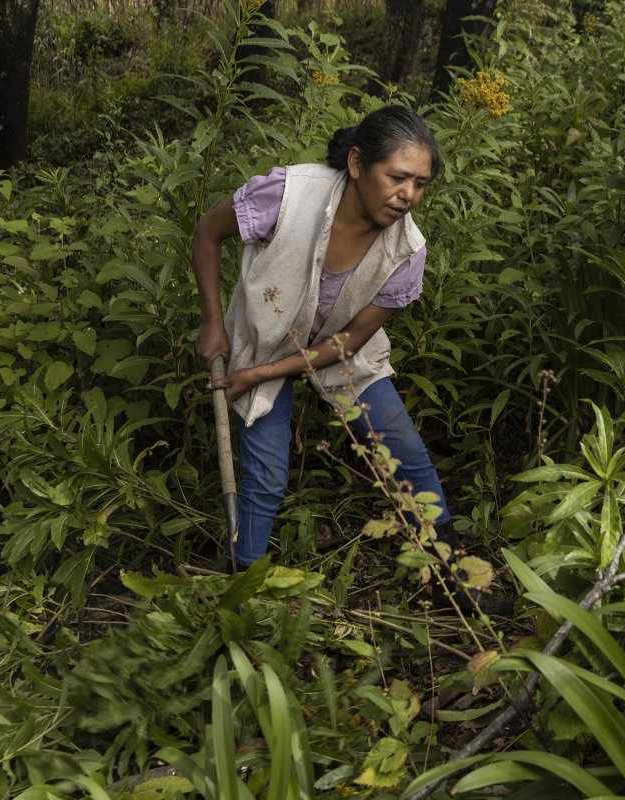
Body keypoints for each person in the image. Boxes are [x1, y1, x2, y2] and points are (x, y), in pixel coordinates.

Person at [191, 105, 509, 615]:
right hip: (263, 338)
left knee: (405, 452)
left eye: (421, 184)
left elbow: (349, 343)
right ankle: (242, 588)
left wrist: (260, 377)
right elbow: (206, 234)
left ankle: (451, 576)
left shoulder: (407, 251)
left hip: (340, 354)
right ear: (358, 164)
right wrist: (212, 322)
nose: (409, 195)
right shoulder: (289, 194)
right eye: (398, 177)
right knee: (267, 475)